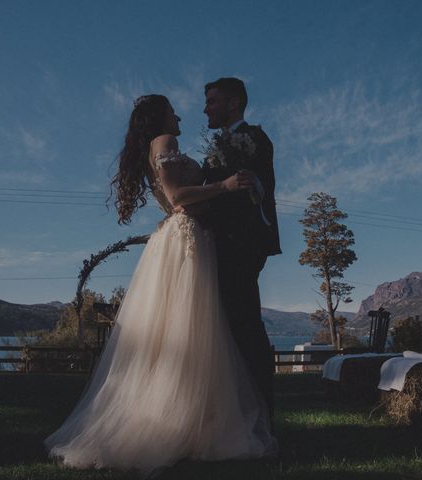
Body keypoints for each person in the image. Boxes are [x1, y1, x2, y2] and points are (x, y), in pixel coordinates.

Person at [45, 95, 276, 477]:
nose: (180, 115)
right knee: (184, 331)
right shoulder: (164, 142)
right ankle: (175, 424)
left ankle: (191, 420)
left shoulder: (164, 145)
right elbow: (176, 197)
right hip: (184, 240)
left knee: (189, 332)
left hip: (190, 236)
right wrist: (225, 184)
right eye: (172, 110)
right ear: (159, 118)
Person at [201, 78, 281, 417]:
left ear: (234, 103)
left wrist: (251, 184)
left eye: (212, 101)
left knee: (245, 323)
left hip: (242, 245)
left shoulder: (255, 139)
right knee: (228, 325)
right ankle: (235, 410)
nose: (206, 108)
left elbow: (260, 188)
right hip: (219, 243)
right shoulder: (219, 144)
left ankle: (262, 410)